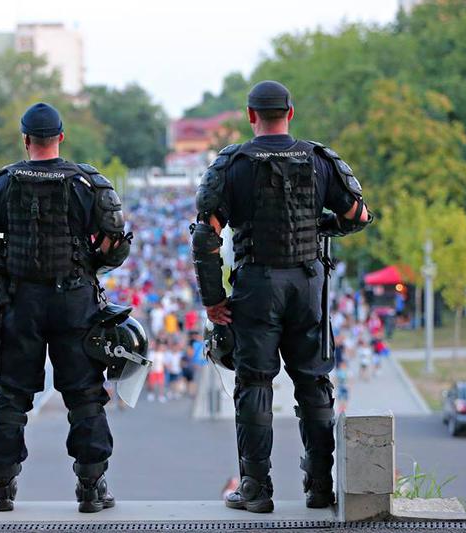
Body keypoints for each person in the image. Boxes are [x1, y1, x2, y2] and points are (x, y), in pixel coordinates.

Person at [191, 80, 372, 513]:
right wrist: (318, 227)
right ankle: (320, 487)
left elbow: (205, 236)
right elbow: (358, 215)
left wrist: (213, 298)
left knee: (254, 383)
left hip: (257, 286)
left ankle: (255, 488)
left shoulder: (231, 164)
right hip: (308, 284)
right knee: (313, 382)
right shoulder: (319, 159)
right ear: (290, 112)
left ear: (251, 115)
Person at [0, 102, 132, 513]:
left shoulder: (0, 185)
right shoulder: (87, 184)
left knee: (11, 394)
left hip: (19, 302)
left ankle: (1, 488)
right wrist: (88, 264)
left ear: (25, 140)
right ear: (61, 137)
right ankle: (91, 488)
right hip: (75, 301)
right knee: (85, 395)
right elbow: (113, 244)